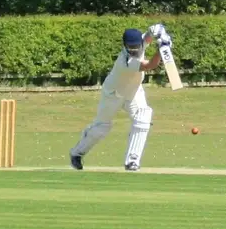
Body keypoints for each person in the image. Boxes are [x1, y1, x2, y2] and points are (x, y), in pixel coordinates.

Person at [68, 28, 164, 171]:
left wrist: (157, 31)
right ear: (125, 45)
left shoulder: (140, 42)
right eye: (130, 47)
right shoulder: (126, 60)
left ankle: (132, 160)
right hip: (113, 94)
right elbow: (150, 65)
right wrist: (161, 49)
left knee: (143, 116)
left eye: (136, 46)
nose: (133, 49)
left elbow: (148, 37)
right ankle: (76, 153)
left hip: (133, 92)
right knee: (102, 127)